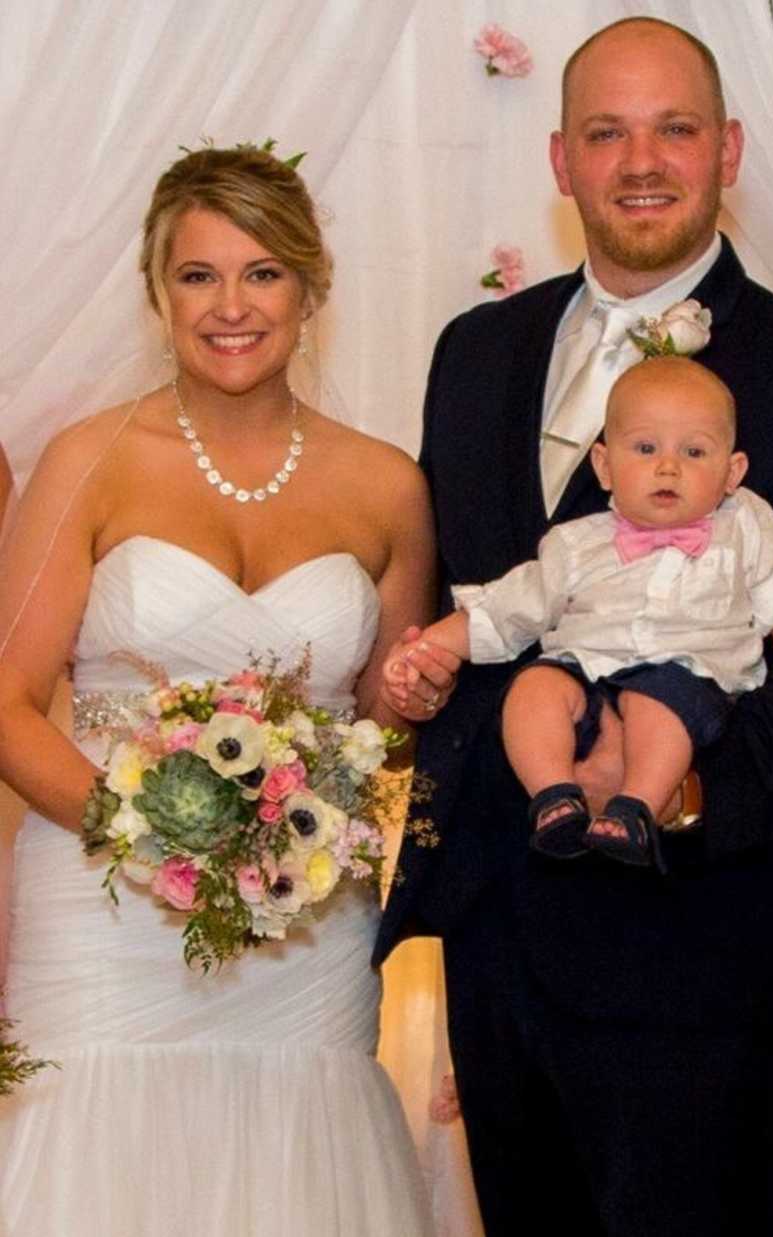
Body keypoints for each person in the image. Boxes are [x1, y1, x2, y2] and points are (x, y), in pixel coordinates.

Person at [376, 17, 773, 1237]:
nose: (641, 160)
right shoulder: (475, 352)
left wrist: (688, 796)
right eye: (607, 132)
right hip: (498, 948)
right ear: (560, 161)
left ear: (729, 148)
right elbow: (477, 599)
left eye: (673, 129)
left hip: (700, 960)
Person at [0, 145, 435, 1235]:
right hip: (106, 917)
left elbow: (384, 729)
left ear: (310, 285)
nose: (231, 306)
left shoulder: (388, 483)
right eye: (198, 275)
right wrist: (148, 835)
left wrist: (394, 723)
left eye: (263, 272)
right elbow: (4, 697)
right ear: (158, 293)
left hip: (304, 929)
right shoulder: (90, 460)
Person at [391, 357, 773, 866]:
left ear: (732, 471)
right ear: (605, 466)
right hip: (585, 667)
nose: (667, 467)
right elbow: (508, 610)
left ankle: (636, 808)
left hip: (686, 674)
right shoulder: (575, 544)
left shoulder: (746, 528)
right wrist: (434, 646)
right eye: (645, 448)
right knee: (533, 689)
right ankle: (553, 796)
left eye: (694, 451)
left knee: (657, 705)